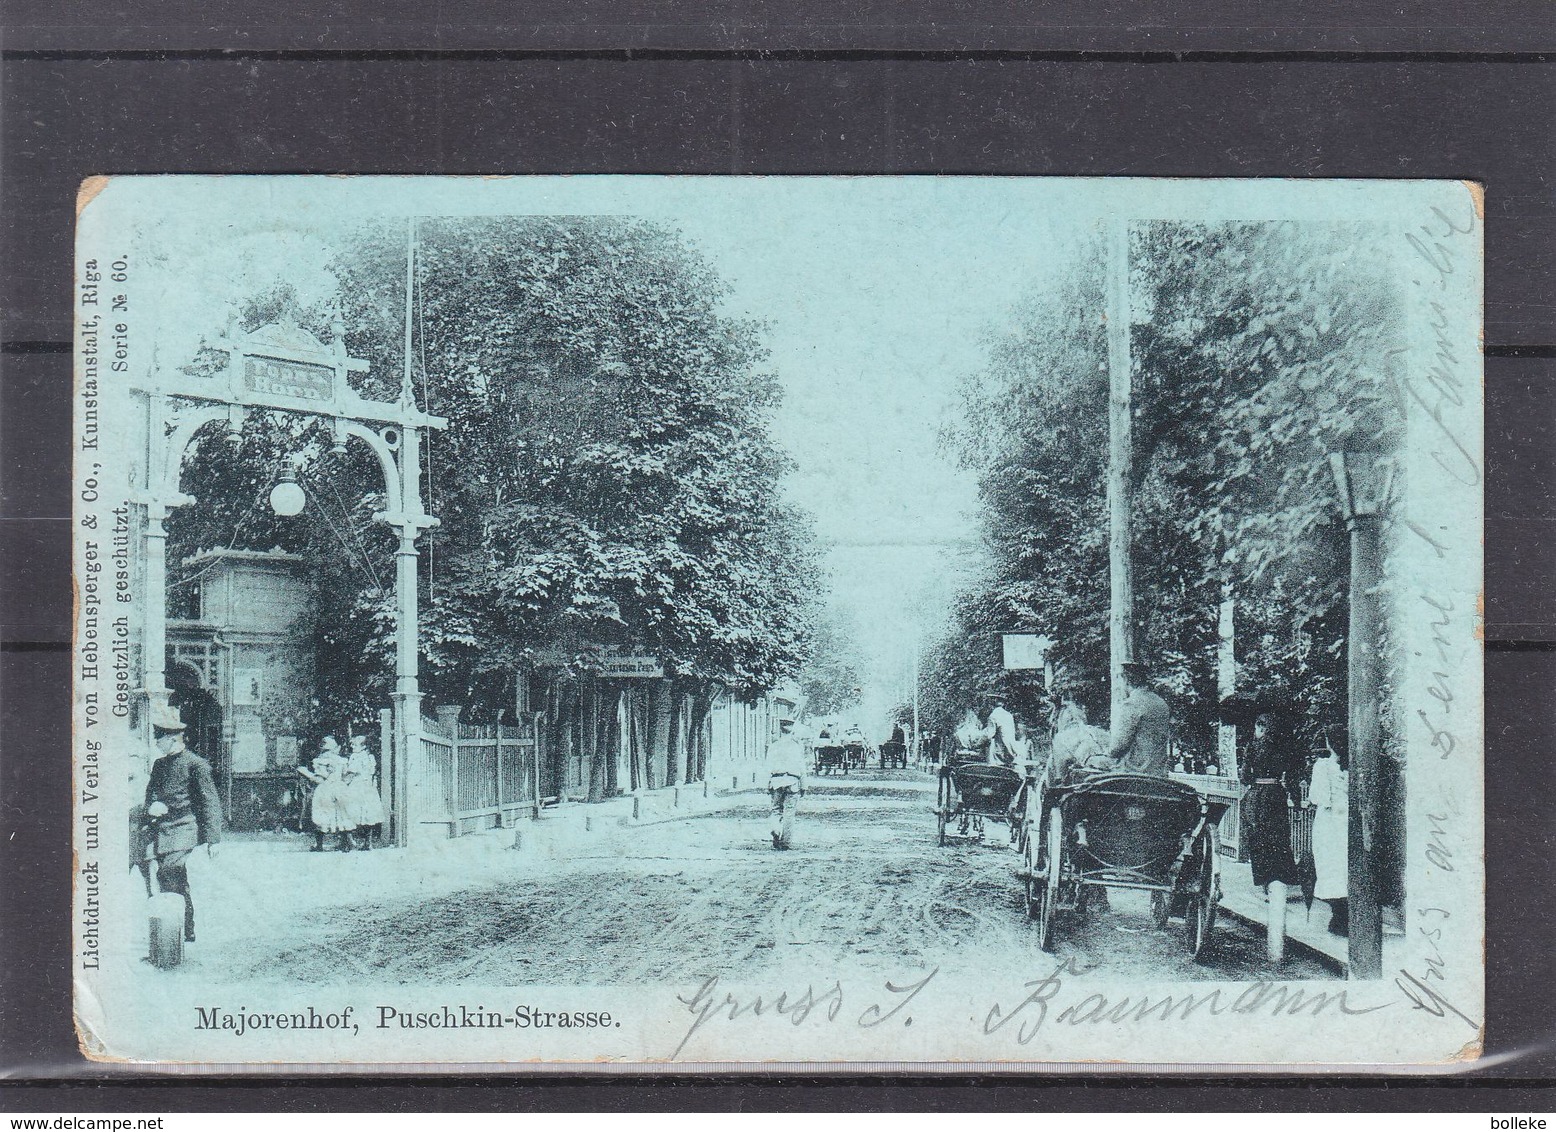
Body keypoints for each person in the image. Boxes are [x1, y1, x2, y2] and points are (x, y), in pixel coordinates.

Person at [142, 703, 223, 943]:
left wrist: (213, 839)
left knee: (171, 872)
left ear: (173, 739)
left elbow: (210, 802)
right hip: (161, 828)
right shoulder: (159, 765)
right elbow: (150, 794)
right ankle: (181, 927)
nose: (157, 742)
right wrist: (152, 806)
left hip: (184, 826)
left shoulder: (196, 764)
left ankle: (177, 929)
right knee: (167, 878)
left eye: (160, 738)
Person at [1240, 711, 1304, 891]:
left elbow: (1245, 777)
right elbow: (1292, 778)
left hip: (1258, 795)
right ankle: (1280, 880)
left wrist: (1254, 780)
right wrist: (1297, 803)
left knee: (1259, 837)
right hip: (1276, 794)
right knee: (1279, 837)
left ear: (1262, 727)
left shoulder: (1252, 747)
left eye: (1256, 727)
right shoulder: (1283, 748)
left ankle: (1265, 882)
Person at [1308, 731, 1350, 934]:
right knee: (1345, 866)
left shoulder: (1323, 765)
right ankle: (1346, 915)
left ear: (1329, 743)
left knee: (1329, 866)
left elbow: (1319, 796)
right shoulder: (1351, 766)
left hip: (1329, 821)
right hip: (1348, 822)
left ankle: (1339, 917)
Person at [1107, 662, 1172, 777]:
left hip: (1133, 772)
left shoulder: (1131, 704)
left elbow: (1118, 746)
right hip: (1159, 772)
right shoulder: (1161, 703)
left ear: (1126, 681)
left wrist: (1108, 752)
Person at [298, 736, 354, 851]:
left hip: (325, 789)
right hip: (339, 788)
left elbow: (319, 778)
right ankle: (345, 843)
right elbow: (345, 776)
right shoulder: (341, 760)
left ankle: (319, 845)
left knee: (322, 814)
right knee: (341, 814)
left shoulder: (320, 760)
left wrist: (307, 774)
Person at [765, 716, 807, 849]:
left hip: (776, 781)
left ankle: (775, 829)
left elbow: (767, 767)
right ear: (792, 730)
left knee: (776, 810)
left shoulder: (773, 746)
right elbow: (802, 767)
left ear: (779, 730)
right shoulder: (797, 747)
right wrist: (804, 785)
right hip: (793, 781)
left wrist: (767, 784)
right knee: (789, 813)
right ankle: (786, 842)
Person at [342, 734, 388, 850]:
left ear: (364, 746)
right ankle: (368, 843)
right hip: (368, 788)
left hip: (356, 787)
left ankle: (350, 841)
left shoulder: (355, 757)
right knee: (368, 815)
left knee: (349, 812)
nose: (352, 746)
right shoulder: (370, 757)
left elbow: (351, 773)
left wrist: (343, 781)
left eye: (355, 744)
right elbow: (371, 773)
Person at [985, 695, 1018, 768]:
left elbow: (989, 735)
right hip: (1010, 750)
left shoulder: (993, 716)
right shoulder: (1009, 715)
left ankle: (990, 763)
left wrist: (977, 743)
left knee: (989, 743)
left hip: (999, 753)